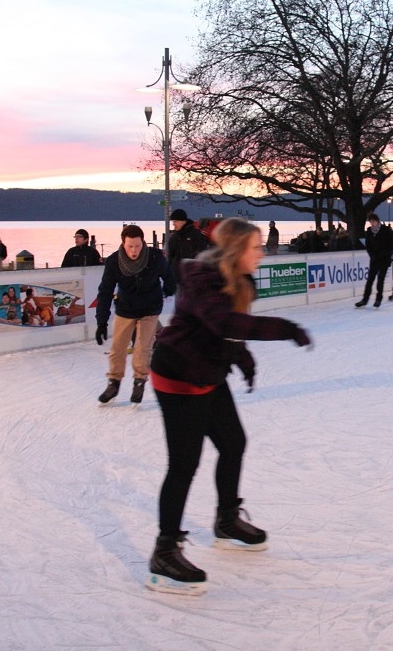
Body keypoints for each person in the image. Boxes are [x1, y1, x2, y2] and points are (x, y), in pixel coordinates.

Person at [146, 218, 312, 595]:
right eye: (256, 247)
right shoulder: (200, 276)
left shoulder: (242, 281)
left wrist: (243, 359)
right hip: (178, 374)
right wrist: (284, 328)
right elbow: (221, 321)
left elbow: (231, 329)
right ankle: (164, 552)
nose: (263, 252)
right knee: (184, 464)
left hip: (208, 371)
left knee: (233, 443)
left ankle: (226, 520)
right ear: (237, 251)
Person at [94, 225, 176, 405]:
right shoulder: (114, 262)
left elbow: (169, 275)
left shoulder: (154, 257)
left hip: (150, 309)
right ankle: (114, 383)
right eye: (130, 246)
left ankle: (139, 381)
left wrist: (169, 289)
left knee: (142, 347)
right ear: (123, 244)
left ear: (143, 243)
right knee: (118, 348)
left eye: (138, 246)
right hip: (126, 309)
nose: (134, 250)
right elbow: (105, 291)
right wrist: (101, 322)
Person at [355, 214, 393, 308]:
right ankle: (365, 300)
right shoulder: (369, 231)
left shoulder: (386, 230)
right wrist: (372, 255)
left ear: (377, 221)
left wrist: (385, 254)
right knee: (370, 280)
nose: (372, 223)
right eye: (370, 222)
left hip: (384, 259)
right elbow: (368, 245)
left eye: (373, 221)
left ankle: (378, 299)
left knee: (380, 280)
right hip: (374, 259)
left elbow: (392, 245)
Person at [167, 209, 211, 281]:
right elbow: (170, 258)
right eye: (173, 221)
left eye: (175, 221)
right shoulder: (174, 238)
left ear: (183, 221)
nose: (173, 224)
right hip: (177, 278)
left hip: (194, 279)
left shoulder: (197, 236)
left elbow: (202, 257)